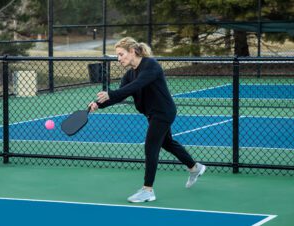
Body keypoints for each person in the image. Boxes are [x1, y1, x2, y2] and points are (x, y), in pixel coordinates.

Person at [88, 37, 206, 203]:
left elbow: (136, 86)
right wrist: (98, 105)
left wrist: (111, 94)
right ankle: (195, 167)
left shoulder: (151, 65)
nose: (118, 59)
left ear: (132, 51)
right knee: (167, 142)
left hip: (163, 112)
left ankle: (147, 190)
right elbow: (122, 94)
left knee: (151, 146)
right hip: (152, 114)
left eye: (121, 54)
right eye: (117, 56)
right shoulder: (130, 74)